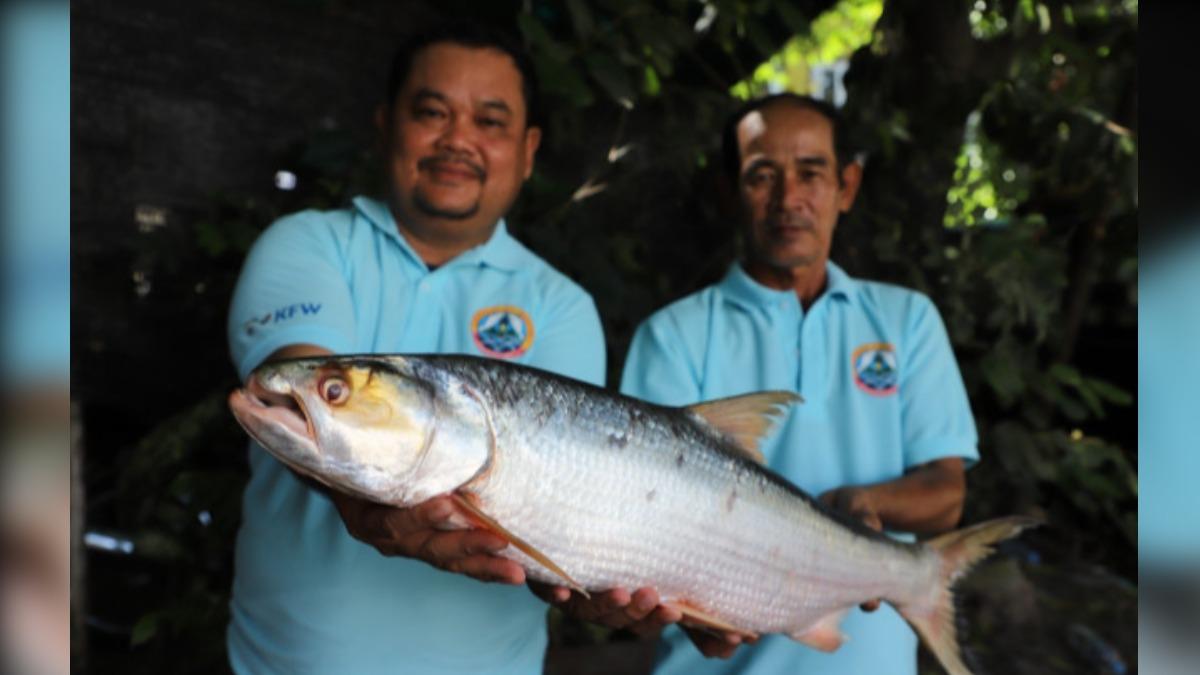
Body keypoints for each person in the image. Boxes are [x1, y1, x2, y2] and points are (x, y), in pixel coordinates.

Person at [224, 22, 607, 674]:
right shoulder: (307, 244)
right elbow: (298, 392)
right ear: (385, 124)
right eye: (432, 112)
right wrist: (363, 503)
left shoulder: (564, 306)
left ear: (528, 148)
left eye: (490, 121)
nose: (458, 139)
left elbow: (551, 512)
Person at [619, 93, 976, 674]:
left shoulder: (906, 320)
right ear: (730, 192)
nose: (789, 199)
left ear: (847, 187)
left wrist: (867, 502)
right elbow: (645, 520)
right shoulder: (673, 334)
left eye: (811, 172)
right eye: (763, 175)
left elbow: (946, 492)